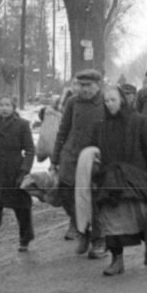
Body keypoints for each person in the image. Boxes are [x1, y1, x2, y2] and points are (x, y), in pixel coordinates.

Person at [87, 85, 147, 276]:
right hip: (110, 179)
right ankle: (117, 260)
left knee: (142, 216)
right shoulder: (100, 126)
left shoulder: (138, 121)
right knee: (111, 218)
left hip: (136, 177)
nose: (109, 104)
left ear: (121, 99)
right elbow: (93, 151)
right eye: (106, 101)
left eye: (113, 99)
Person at [52, 69, 106, 257]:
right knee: (67, 196)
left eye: (88, 85)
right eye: (81, 85)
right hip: (71, 158)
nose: (84, 89)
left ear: (97, 85)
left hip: (95, 160)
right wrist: (55, 159)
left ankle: (99, 240)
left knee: (95, 200)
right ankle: (84, 231)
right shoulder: (72, 102)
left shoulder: (106, 103)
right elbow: (63, 131)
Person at [0, 95, 35, 255]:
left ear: (14, 107)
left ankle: (25, 238)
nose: (4, 108)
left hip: (15, 171)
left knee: (22, 208)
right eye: (1, 105)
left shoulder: (22, 125)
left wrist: (24, 172)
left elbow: (30, 150)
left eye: (7, 105)